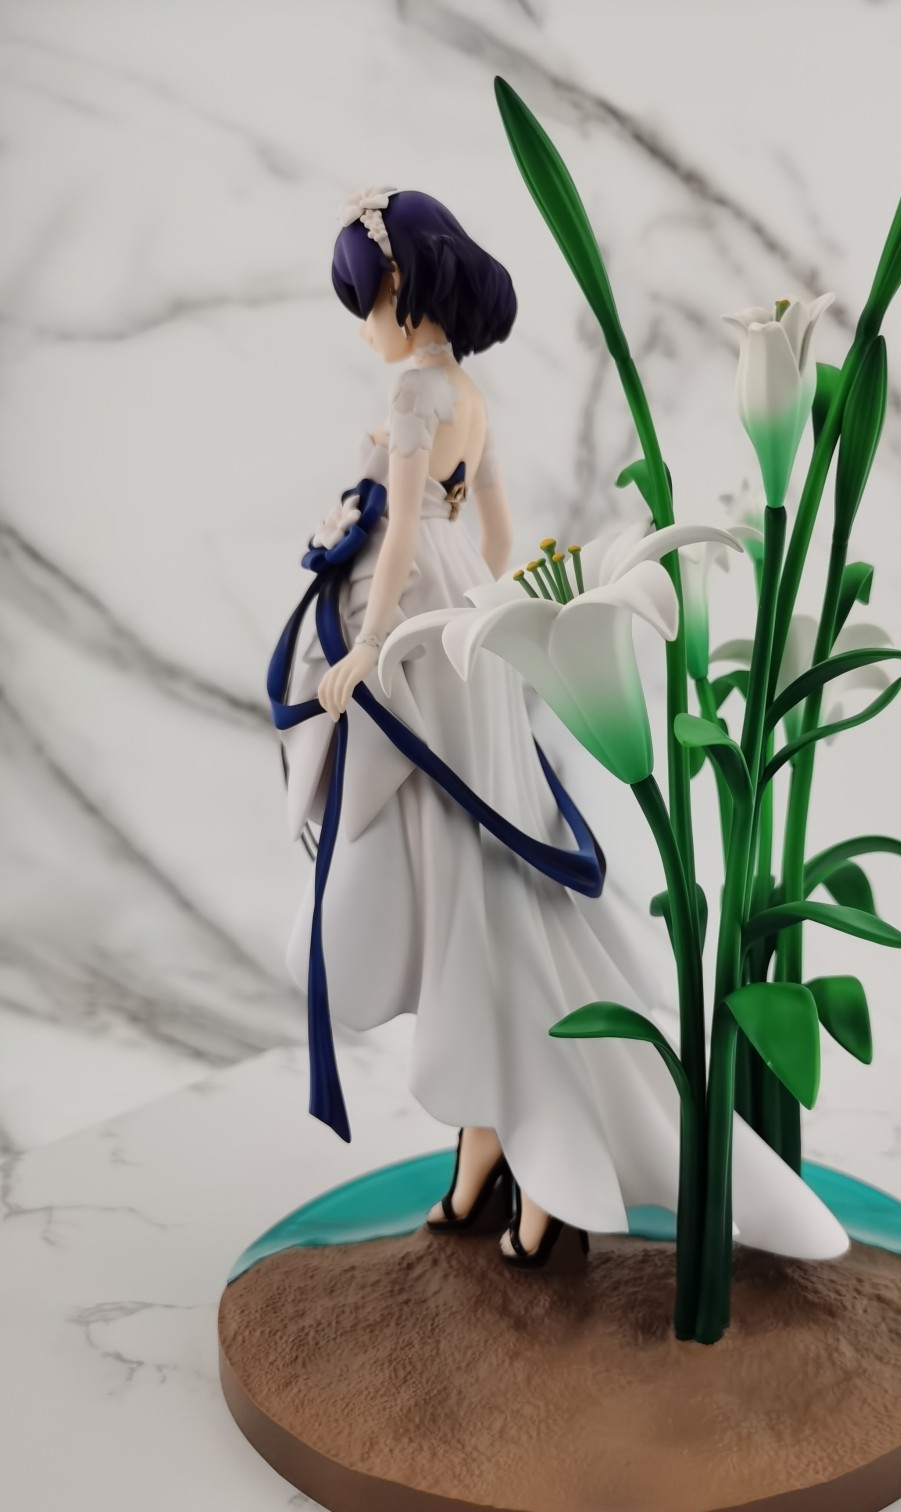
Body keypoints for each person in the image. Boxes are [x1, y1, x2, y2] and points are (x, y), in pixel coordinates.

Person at [275, 188, 850, 1272]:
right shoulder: (469, 394)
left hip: (421, 636)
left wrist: (373, 642)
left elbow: (403, 536)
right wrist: (478, 618)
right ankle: (498, 1139)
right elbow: (491, 533)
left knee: (467, 879)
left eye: (365, 301)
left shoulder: (414, 390)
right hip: (467, 625)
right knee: (481, 885)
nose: (362, 324)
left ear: (399, 290)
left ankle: (536, 1155)